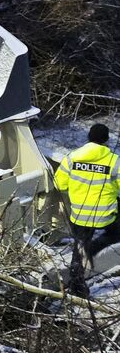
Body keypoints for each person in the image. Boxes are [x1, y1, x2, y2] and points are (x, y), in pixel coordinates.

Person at [54, 123, 120, 297]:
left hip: (80, 214)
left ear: (89, 138)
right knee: (116, 233)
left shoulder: (71, 158)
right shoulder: (114, 161)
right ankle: (93, 248)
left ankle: (77, 285)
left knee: (79, 247)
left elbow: (59, 184)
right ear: (106, 140)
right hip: (106, 214)